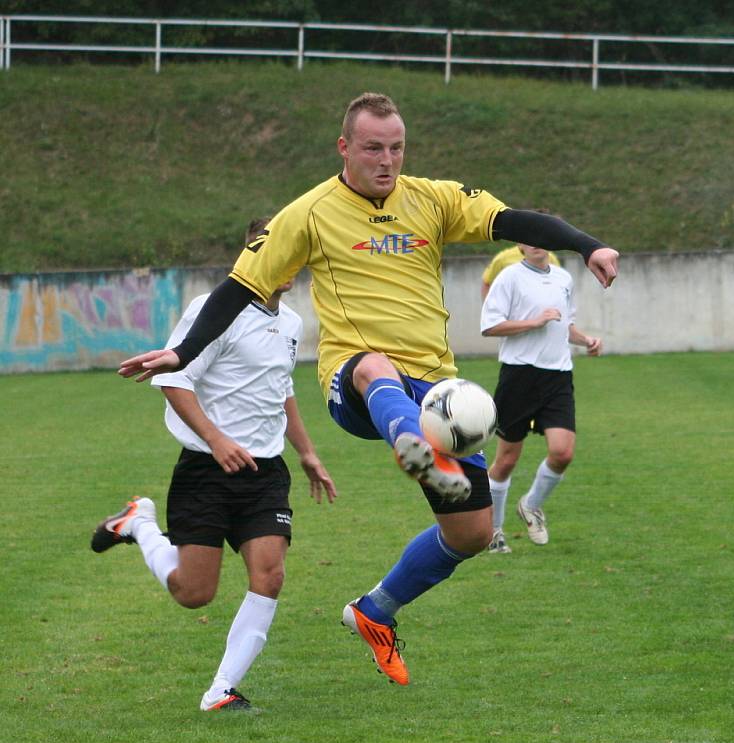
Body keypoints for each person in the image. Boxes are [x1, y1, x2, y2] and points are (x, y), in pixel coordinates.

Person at [118, 93, 618, 686]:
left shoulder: (431, 199)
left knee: (472, 533)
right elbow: (238, 287)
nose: (387, 160)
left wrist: (588, 245)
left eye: (397, 148)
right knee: (375, 365)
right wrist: (183, 352)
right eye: (374, 148)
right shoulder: (306, 214)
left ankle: (375, 611)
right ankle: (413, 445)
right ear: (345, 148)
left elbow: (513, 222)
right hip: (356, 381)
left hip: (434, 385)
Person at [92, 218, 337, 712]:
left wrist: (307, 451)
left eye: (289, 252)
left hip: (265, 473)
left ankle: (220, 690)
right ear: (249, 256)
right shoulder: (213, 312)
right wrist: (216, 439)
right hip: (206, 469)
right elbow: (174, 381)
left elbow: (280, 389)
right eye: (268, 251)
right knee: (193, 594)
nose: (282, 263)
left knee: (269, 575)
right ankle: (139, 524)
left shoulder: (290, 322)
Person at [480, 241, 602, 553]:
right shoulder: (509, 277)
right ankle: (493, 531)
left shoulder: (563, 278)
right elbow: (490, 326)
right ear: (520, 245)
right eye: (530, 239)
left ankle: (531, 505)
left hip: (558, 376)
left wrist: (586, 339)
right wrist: (533, 322)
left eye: (544, 239)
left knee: (563, 453)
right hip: (519, 376)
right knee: (506, 460)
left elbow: (564, 326)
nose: (538, 245)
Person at [480, 241, 560, 300]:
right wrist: (489, 313)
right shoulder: (503, 258)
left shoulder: (549, 257)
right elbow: (487, 283)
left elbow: (558, 286)